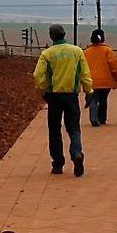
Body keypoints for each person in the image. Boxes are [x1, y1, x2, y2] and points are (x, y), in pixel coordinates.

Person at [34, 24, 94, 176]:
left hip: (54, 97)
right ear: (64, 34)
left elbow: (38, 76)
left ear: (51, 36)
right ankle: (76, 153)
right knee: (73, 128)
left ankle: (58, 164)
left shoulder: (47, 54)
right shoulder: (77, 51)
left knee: (54, 130)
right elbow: (85, 74)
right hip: (71, 96)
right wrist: (89, 91)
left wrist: (42, 90)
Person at [84, 28, 117, 126]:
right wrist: (116, 78)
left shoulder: (87, 52)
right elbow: (113, 66)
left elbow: (83, 67)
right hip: (106, 81)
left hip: (92, 81)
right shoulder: (108, 50)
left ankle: (93, 118)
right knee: (103, 99)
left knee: (94, 99)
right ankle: (102, 118)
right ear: (103, 38)